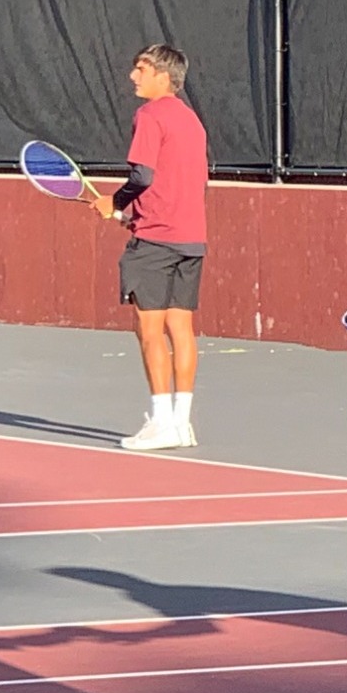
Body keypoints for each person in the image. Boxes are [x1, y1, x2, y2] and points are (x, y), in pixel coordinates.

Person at [94, 44, 209, 452]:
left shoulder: (149, 115)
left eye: (141, 69)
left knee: (149, 331)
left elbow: (142, 176)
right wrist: (133, 214)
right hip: (191, 238)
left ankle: (162, 424)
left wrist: (115, 202)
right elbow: (187, 182)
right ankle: (181, 423)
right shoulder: (192, 121)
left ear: (163, 75)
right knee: (181, 328)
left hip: (156, 242)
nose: (133, 76)